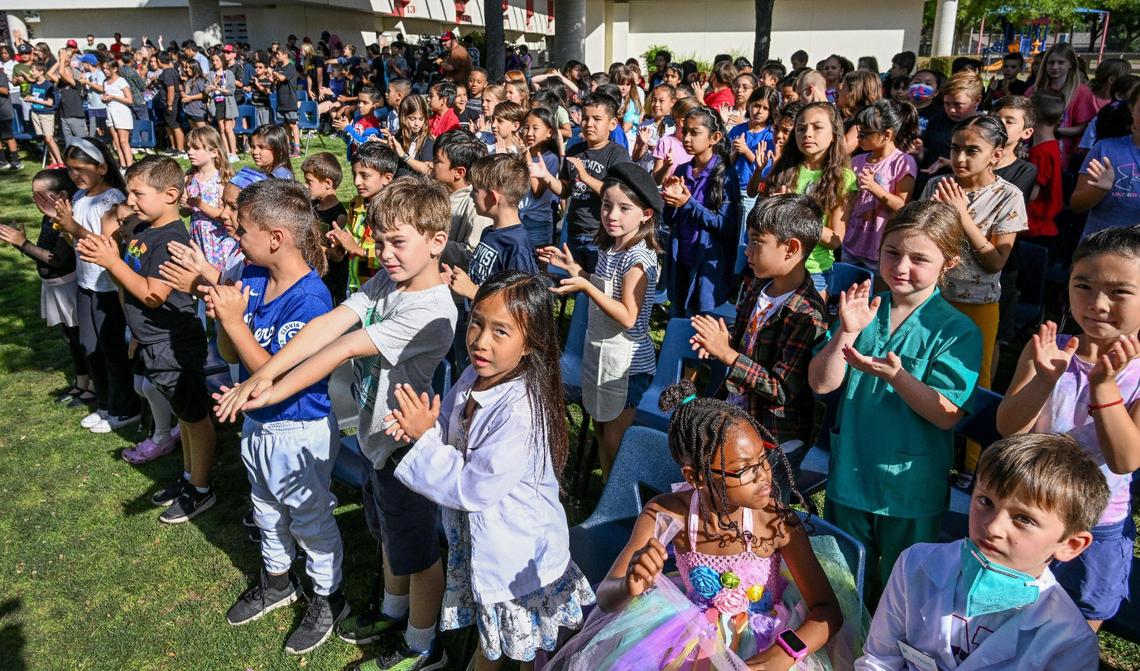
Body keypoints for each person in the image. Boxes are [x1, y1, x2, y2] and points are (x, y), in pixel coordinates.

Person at [215, 176, 457, 671]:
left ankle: (420, 644)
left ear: (436, 242)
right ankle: (392, 611)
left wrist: (263, 390)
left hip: (405, 448)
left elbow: (341, 346)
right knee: (388, 534)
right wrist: (262, 374)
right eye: (380, 240)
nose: (385, 253)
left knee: (419, 552)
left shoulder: (431, 308)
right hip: (374, 439)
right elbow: (327, 325)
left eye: (397, 242)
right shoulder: (391, 280)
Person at [383, 270, 595, 669]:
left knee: (520, 643)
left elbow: (474, 487)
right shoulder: (476, 375)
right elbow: (450, 428)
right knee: (494, 635)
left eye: (501, 331)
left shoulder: (518, 409)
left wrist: (426, 439)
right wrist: (425, 429)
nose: (481, 340)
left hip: (517, 551)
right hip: (488, 536)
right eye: (477, 322)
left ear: (530, 344)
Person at [571, 380, 848, 668]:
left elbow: (828, 611)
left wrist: (785, 652)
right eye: (743, 469)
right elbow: (606, 597)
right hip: (688, 640)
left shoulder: (776, 522)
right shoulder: (666, 513)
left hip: (767, 642)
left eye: (763, 459)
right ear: (696, 478)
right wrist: (629, 586)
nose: (764, 475)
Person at [808, 201, 982, 594]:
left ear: (948, 264)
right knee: (842, 582)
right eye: (892, 252)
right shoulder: (863, 308)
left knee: (901, 589)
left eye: (919, 258)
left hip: (910, 488)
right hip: (851, 473)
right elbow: (821, 384)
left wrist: (899, 377)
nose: (901, 267)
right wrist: (845, 334)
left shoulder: (957, 331)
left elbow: (946, 415)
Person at [207, 179, 347, 654]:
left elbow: (266, 374)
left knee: (309, 519)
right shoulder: (251, 277)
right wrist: (223, 318)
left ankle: (329, 597)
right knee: (266, 511)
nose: (236, 238)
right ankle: (277, 581)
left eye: (243, 230)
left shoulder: (311, 300)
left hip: (299, 429)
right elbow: (231, 354)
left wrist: (233, 321)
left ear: (276, 238)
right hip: (258, 426)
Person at [856, 433, 1107, 670]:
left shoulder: (1070, 642)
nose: (993, 526)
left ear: (1070, 545)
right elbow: (880, 658)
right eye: (985, 501)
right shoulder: (915, 564)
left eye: (1024, 519)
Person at [996, 225, 1140, 629]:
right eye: (1084, 286)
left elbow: (1126, 458)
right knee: (1012, 614)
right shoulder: (1047, 347)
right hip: (1029, 511)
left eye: (1119, 292)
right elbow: (1010, 428)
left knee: (1077, 625)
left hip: (1096, 526)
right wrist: (1044, 379)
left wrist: (1104, 386)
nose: (1097, 303)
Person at [76, 156, 215, 523]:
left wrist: (112, 263)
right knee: (183, 415)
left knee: (194, 416)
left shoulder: (171, 240)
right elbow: (131, 284)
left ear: (171, 194)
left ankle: (200, 489)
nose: (130, 201)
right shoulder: (144, 230)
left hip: (175, 343)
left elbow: (154, 294)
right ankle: (189, 477)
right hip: (153, 341)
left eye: (138, 193)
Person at [690, 194, 828, 481]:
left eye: (756, 241)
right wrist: (719, 343)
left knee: (762, 513)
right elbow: (744, 343)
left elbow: (780, 389)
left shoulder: (807, 314)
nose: (747, 251)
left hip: (774, 439)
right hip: (738, 419)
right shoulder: (758, 287)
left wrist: (729, 356)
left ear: (790, 248)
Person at [540, 163, 662, 474]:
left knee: (613, 440)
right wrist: (575, 271)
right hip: (601, 356)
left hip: (627, 366)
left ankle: (619, 497)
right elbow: (602, 286)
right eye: (607, 205)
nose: (612, 215)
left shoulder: (638, 259)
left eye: (624, 208)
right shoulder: (612, 247)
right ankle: (607, 490)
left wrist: (584, 286)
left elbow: (629, 317)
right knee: (600, 427)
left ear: (646, 214)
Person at [922, 116, 1027, 406]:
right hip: (933, 299)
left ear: (995, 154)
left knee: (973, 380)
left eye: (972, 150)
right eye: (955, 148)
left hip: (978, 304)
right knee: (925, 370)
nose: (959, 158)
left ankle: (974, 452)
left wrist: (961, 215)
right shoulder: (936, 186)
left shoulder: (1008, 196)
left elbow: (995, 262)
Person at [53, 138, 141, 435]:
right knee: (90, 347)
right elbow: (76, 243)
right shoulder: (79, 197)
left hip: (107, 287)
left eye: (80, 169)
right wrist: (65, 227)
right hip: (85, 283)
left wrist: (72, 226)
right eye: (70, 169)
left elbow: (107, 245)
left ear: (102, 167)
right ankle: (105, 404)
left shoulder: (113, 199)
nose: (75, 175)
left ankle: (125, 407)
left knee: (112, 350)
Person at [0, 169, 89, 404]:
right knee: (69, 337)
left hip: (68, 286)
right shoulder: (47, 217)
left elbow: (57, 258)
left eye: (38, 194)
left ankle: (93, 387)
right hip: (53, 286)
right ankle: (81, 382)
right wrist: (21, 244)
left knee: (80, 338)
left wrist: (23, 243)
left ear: (59, 195)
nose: (34, 199)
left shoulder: (65, 219)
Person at [530, 92, 630, 274]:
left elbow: (618, 195)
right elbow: (565, 190)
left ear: (612, 124)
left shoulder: (617, 154)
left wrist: (586, 177)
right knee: (573, 281)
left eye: (597, 119)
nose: (589, 124)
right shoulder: (575, 149)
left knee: (595, 286)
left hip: (602, 235)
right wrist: (546, 176)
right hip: (575, 230)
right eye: (585, 118)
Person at [766, 102, 856, 297]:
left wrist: (793, 210)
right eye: (801, 128)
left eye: (817, 127)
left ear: (834, 134)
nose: (807, 133)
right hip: (776, 266)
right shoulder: (784, 169)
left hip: (814, 271)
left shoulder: (843, 178)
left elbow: (835, 240)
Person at [662, 107, 739, 316]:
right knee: (677, 318)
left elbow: (725, 226)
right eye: (684, 131)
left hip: (706, 264)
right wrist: (670, 202)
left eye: (694, 133)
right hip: (681, 259)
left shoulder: (725, 176)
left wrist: (688, 202)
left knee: (698, 325)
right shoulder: (681, 171)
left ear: (714, 137)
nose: (687, 138)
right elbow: (670, 220)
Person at [844, 100, 918, 271]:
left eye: (865, 134)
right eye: (859, 133)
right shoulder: (857, 161)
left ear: (887, 134)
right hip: (851, 243)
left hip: (881, 248)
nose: (859, 138)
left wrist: (873, 187)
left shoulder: (903, 162)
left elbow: (901, 206)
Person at [327, 142, 399, 294]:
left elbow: (394, 253)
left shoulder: (394, 212)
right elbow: (352, 233)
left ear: (387, 178)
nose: (356, 182)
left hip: (379, 288)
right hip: (354, 281)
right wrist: (341, 239)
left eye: (364, 176)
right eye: (354, 174)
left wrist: (357, 249)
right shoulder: (356, 202)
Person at [1070, 86, 1140, 238]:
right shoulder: (1105, 148)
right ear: (1132, 109)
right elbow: (1076, 205)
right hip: (1100, 249)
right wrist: (1099, 190)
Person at [727, 86, 777, 260]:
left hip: (750, 191)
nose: (759, 111)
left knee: (744, 233)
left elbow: (764, 166)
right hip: (731, 187)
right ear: (749, 105)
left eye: (765, 108)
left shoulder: (770, 136)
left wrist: (746, 150)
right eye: (756, 105)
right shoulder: (737, 130)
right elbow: (727, 161)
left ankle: (741, 265)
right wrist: (734, 153)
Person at [301, 151, 349, 305]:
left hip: (332, 276)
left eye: (309, 182)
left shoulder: (339, 216)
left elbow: (336, 253)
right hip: (312, 269)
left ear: (328, 183)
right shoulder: (312, 205)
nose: (305, 186)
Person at [1024, 93, 1065, 251]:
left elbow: (1032, 193)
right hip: (1042, 224)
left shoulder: (1040, 153)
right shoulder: (1052, 145)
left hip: (1036, 226)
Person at [520, 108, 562, 249]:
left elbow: (537, 190)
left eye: (535, 128)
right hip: (520, 216)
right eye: (526, 128)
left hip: (539, 221)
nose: (529, 133)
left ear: (549, 133)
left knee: (538, 263)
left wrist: (526, 155)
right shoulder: (521, 155)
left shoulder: (551, 158)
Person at [24, 63, 63, 166]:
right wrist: (29, 99)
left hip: (46, 114)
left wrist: (34, 99)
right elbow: (35, 98)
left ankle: (61, 162)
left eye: (33, 70)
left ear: (41, 72)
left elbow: (50, 103)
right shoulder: (33, 85)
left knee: (49, 138)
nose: (31, 73)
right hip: (36, 113)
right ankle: (53, 161)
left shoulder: (48, 85)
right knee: (46, 139)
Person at [98, 61, 134, 170]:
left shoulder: (121, 81)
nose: (105, 71)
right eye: (103, 68)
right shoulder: (105, 82)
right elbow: (106, 96)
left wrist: (113, 97)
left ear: (114, 69)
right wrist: (104, 99)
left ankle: (130, 167)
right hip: (110, 112)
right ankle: (123, 165)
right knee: (116, 142)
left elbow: (130, 100)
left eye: (107, 68)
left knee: (123, 141)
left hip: (121, 112)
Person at [631, 83, 675, 173]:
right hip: (643, 175)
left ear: (672, 103)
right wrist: (643, 144)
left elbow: (676, 157)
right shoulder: (644, 126)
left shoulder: (674, 128)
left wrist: (659, 151)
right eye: (654, 100)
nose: (656, 104)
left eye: (661, 101)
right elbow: (635, 158)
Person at [388, 94, 434, 177]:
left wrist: (403, 155)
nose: (417, 123)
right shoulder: (398, 138)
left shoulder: (427, 141)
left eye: (421, 119)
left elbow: (428, 170)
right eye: (412, 119)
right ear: (403, 117)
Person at [206, 53, 239, 162]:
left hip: (227, 104)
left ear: (222, 62)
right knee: (221, 129)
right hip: (217, 104)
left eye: (217, 60)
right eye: (213, 60)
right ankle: (226, 152)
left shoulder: (228, 73)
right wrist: (212, 86)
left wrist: (219, 88)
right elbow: (206, 90)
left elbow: (231, 91)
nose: (215, 63)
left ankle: (234, 153)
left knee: (229, 129)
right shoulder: (211, 74)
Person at [335, 85, 382, 161]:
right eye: (359, 101)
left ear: (375, 105)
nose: (360, 105)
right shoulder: (358, 119)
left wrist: (348, 128)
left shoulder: (373, 124)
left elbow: (364, 145)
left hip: (366, 164)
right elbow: (351, 141)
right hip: (356, 160)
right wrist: (344, 131)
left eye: (365, 103)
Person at [271, 48, 301, 157]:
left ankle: (297, 148)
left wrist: (273, 72)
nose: (277, 56)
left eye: (278, 54)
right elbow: (276, 82)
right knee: (285, 126)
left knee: (293, 124)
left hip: (290, 100)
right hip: (281, 101)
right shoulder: (278, 67)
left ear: (285, 55)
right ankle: (288, 147)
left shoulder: (291, 67)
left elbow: (283, 78)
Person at [156, 51, 184, 155]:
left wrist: (170, 104)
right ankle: (173, 146)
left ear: (159, 61)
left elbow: (171, 89)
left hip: (171, 103)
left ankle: (180, 149)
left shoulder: (167, 72)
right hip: (167, 103)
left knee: (175, 126)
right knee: (168, 126)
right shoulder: (173, 70)